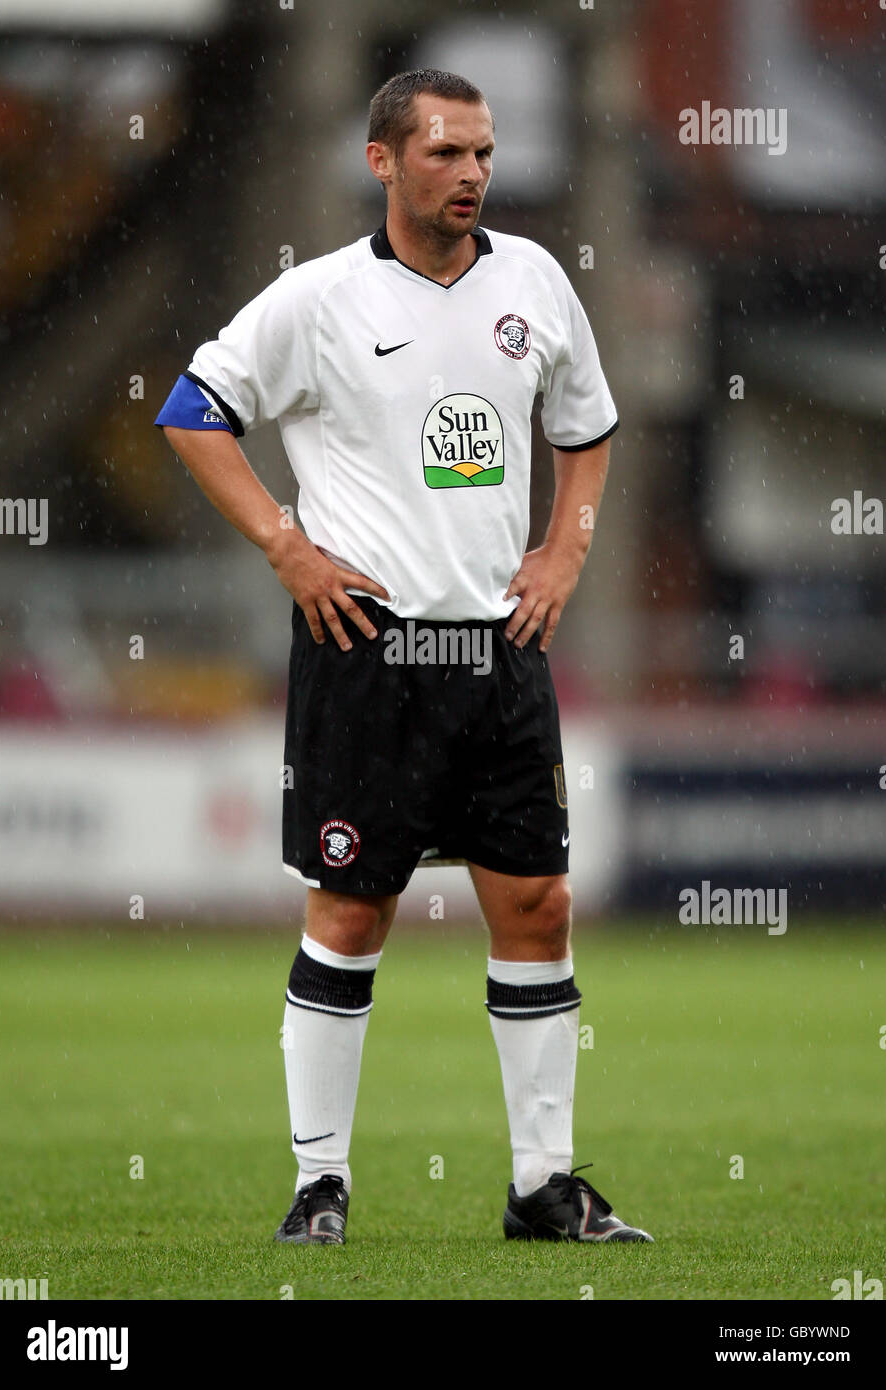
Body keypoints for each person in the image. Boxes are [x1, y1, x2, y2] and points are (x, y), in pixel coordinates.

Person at [155, 68, 652, 1246]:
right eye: (444, 153)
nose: (471, 172)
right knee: (350, 911)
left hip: (500, 651)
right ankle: (318, 1186)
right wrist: (287, 546)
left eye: (482, 152)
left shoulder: (533, 281)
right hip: (364, 650)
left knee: (535, 904)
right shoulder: (319, 298)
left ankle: (541, 1188)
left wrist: (563, 555)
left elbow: (585, 434)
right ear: (383, 162)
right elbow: (192, 409)